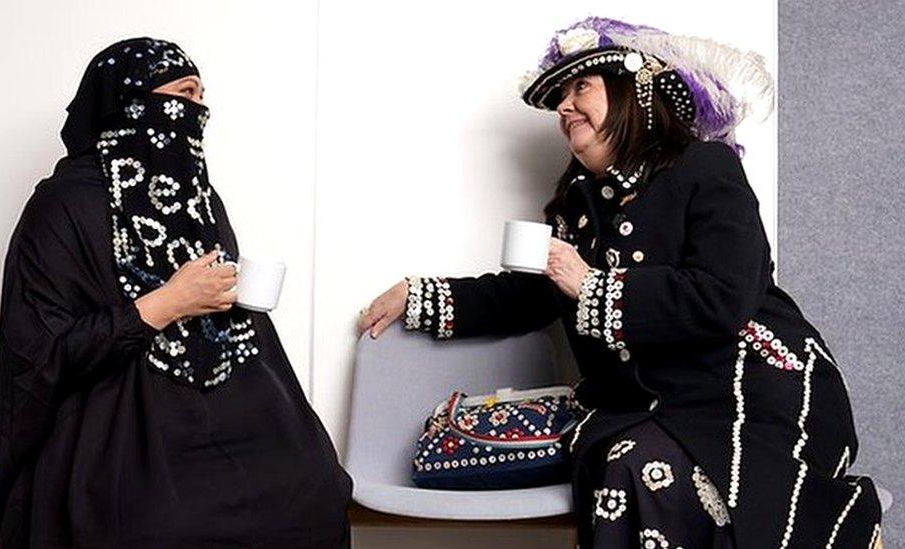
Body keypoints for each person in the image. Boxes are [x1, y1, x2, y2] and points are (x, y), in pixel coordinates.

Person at [359, 17, 882, 549]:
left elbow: (724, 297)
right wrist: (420, 295)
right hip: (648, 405)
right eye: (561, 95)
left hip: (749, 391)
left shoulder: (706, 168)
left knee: (650, 467)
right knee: (623, 463)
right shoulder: (579, 208)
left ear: (636, 90)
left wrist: (591, 286)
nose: (564, 107)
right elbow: (526, 295)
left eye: (580, 86)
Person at [0, 37, 352, 548]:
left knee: (316, 488)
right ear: (131, 105)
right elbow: (40, 357)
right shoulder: (61, 207)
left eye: (201, 98)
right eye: (184, 94)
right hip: (109, 424)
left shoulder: (201, 200)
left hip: (221, 405)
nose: (197, 112)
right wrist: (165, 303)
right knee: (161, 522)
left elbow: (225, 322)